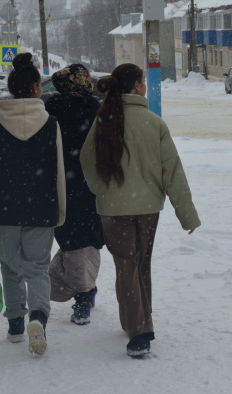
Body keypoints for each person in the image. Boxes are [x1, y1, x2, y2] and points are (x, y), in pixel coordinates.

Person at [80, 63, 201, 359]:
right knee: (139, 264)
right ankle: (139, 330)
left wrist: (102, 190)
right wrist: (186, 213)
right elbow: (172, 171)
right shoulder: (153, 123)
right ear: (135, 86)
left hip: (114, 209)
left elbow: (86, 160)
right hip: (148, 208)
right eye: (143, 82)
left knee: (127, 265)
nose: (145, 86)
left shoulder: (103, 120)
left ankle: (134, 322)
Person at [0, 52, 66, 356]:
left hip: (5, 208)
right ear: (37, 87)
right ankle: (38, 317)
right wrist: (59, 211)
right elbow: (59, 172)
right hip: (41, 207)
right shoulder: (51, 124)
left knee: (10, 268)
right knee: (38, 269)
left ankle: (14, 324)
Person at [43, 64, 105, 325]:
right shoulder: (96, 109)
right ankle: (84, 295)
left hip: (61, 188)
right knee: (87, 240)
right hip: (91, 187)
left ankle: (85, 291)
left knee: (72, 242)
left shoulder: (50, 110)